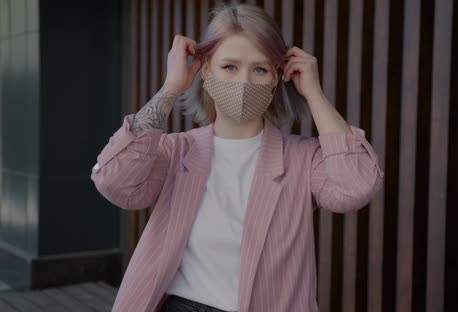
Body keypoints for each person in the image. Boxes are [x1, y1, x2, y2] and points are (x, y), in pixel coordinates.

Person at [91, 3, 384, 312]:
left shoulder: (302, 159)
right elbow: (114, 180)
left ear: (275, 78)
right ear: (206, 70)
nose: (244, 82)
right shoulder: (175, 152)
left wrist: (314, 95)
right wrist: (171, 86)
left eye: (259, 69)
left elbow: (357, 186)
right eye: (229, 66)